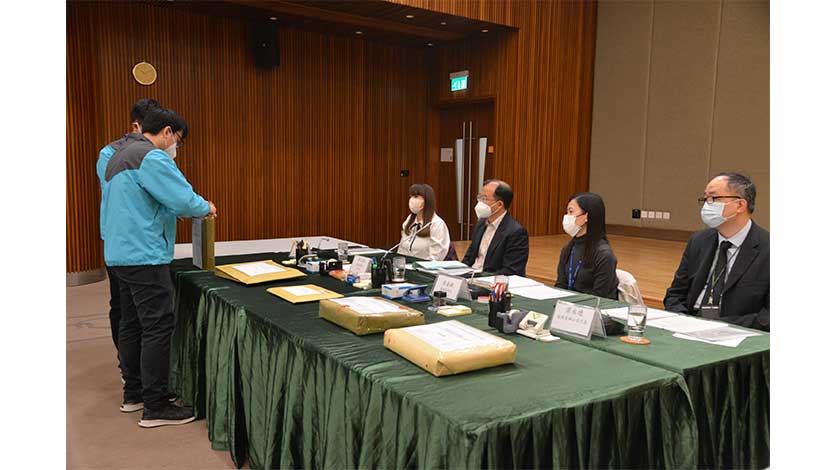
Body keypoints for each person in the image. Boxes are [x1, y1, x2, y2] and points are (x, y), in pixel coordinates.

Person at [100, 107, 217, 427]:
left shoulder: (117, 156)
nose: (175, 146)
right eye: (177, 139)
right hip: (144, 255)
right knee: (157, 326)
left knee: (131, 323)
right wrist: (204, 206)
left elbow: (140, 201)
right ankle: (156, 405)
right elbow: (182, 198)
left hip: (119, 254)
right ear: (167, 132)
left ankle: (134, 394)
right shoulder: (151, 157)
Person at [97, 98, 162, 383]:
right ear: (136, 126)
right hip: (122, 241)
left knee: (142, 315)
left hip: (145, 242)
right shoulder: (111, 154)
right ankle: (127, 368)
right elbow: (128, 195)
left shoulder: (153, 152)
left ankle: (139, 372)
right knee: (123, 307)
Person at [664, 172, 769, 331]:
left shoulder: (769, 249)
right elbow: (675, 295)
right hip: (688, 326)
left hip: (736, 331)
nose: (707, 205)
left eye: (714, 198)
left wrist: (717, 328)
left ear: (740, 205)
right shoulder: (699, 240)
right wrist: (685, 322)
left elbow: (769, 317)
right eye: (705, 199)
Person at [554, 192, 619, 299]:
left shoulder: (604, 255)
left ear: (586, 216)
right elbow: (560, 285)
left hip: (593, 306)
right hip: (568, 305)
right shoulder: (567, 249)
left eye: (571, 212)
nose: (567, 217)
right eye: (567, 212)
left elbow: (599, 296)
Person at [462, 179, 529, 276]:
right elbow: (468, 258)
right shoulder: (480, 224)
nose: (480, 202)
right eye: (479, 197)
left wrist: (477, 277)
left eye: (484, 199)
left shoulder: (516, 232)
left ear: (499, 205)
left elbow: (510, 271)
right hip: (471, 276)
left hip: (490, 280)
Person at [397, 183, 451, 260]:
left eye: (416, 196)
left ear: (427, 200)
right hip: (405, 265)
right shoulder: (409, 220)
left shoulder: (437, 224)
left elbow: (436, 257)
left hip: (424, 266)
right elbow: (401, 250)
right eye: (411, 196)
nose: (411, 200)